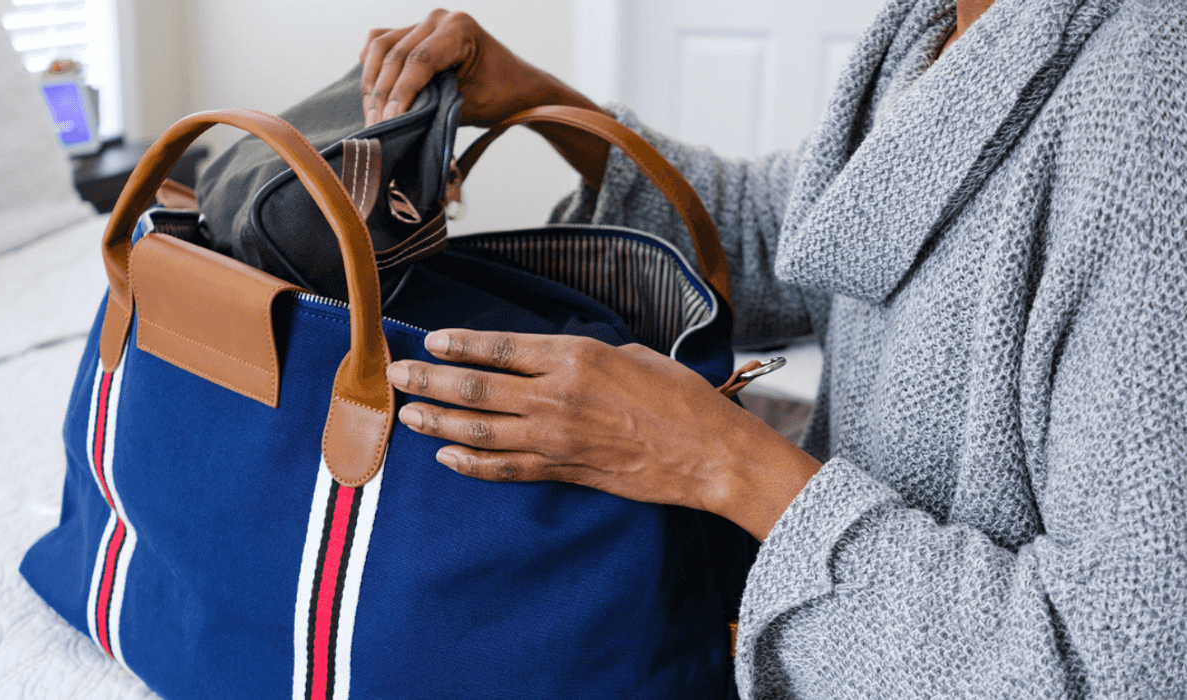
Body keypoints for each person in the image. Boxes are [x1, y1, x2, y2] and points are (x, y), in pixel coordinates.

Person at [360, 0, 1187, 697]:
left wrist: (719, 461)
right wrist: (534, 101)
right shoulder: (936, 30)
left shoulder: (1151, 92)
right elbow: (789, 239)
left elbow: (1125, 664)